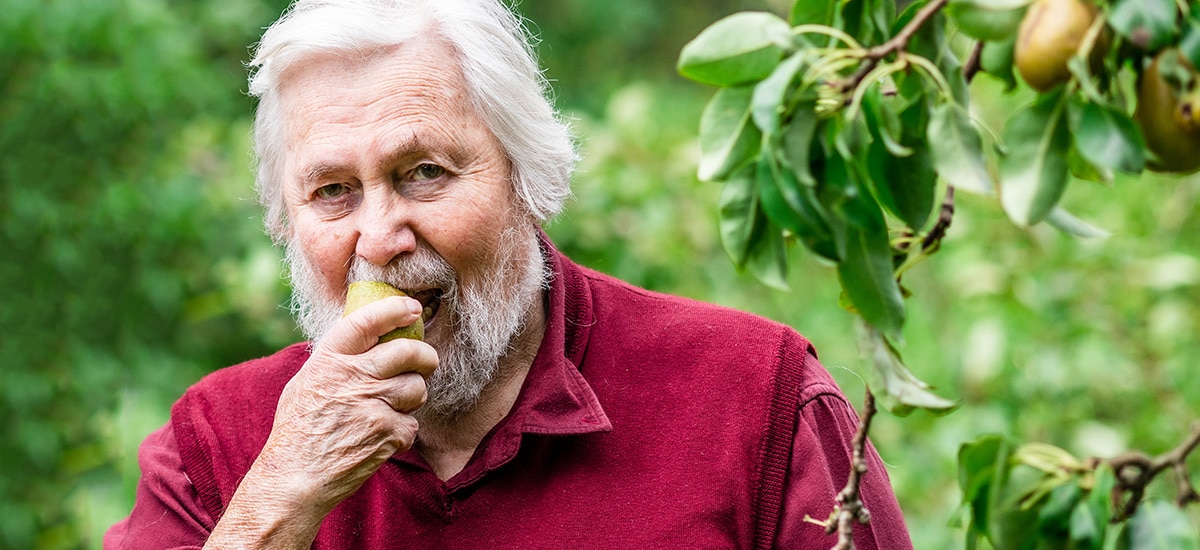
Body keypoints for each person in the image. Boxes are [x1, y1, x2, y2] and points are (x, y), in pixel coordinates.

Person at [106, 0, 914, 548]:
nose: (381, 238)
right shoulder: (215, 449)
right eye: (333, 192)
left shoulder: (756, 401)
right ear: (286, 225)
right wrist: (279, 500)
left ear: (529, 181)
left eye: (424, 172)